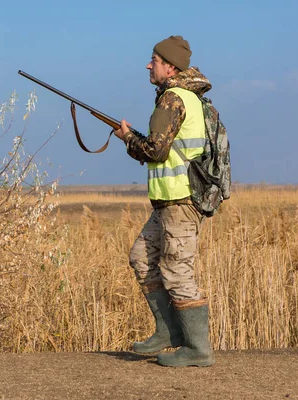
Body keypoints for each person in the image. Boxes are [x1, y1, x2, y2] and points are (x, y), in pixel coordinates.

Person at [113, 35, 214, 367]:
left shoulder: (173, 99)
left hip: (180, 202)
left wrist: (128, 138)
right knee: (141, 256)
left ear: (170, 66)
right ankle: (168, 331)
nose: (148, 65)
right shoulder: (183, 98)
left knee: (176, 270)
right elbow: (163, 148)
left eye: (153, 60)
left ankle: (198, 350)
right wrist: (134, 138)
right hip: (168, 203)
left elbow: (155, 150)